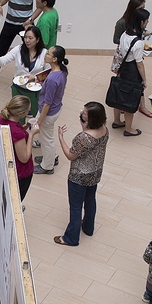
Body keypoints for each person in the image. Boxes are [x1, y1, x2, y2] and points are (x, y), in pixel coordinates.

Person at [54, 102, 109, 246]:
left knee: (76, 206)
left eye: (84, 113)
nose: (81, 113)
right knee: (90, 200)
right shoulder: (104, 129)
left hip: (79, 176)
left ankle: (71, 238)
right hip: (95, 172)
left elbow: (70, 155)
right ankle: (88, 227)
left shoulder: (83, 138)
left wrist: (60, 137)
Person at [0, 25, 49, 117]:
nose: (27, 40)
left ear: (37, 40)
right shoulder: (18, 49)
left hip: (35, 91)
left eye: (30, 38)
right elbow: (2, 62)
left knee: (35, 116)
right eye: (25, 37)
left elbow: (47, 73)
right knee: (17, 116)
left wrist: (34, 78)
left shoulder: (44, 53)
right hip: (18, 89)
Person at [112, 7, 151, 136]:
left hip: (123, 68)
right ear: (141, 22)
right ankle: (129, 129)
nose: (147, 23)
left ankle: (117, 121)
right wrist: (144, 80)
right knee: (130, 99)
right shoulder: (138, 43)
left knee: (118, 94)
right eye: (146, 21)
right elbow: (140, 64)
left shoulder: (125, 34)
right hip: (132, 71)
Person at [34, 45, 68, 175]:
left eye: (48, 53)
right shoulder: (61, 72)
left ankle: (47, 166)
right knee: (48, 137)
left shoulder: (53, 79)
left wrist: (39, 121)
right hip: (56, 109)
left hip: (48, 113)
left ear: (54, 59)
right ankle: (51, 157)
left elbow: (47, 103)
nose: (45, 54)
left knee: (46, 139)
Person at [0, 96, 38, 201]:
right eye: (27, 111)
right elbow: (24, 157)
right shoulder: (17, 133)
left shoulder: (2, 117)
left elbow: (12, 134)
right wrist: (32, 134)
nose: (28, 112)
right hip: (19, 172)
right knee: (15, 200)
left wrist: (25, 126)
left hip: (5, 164)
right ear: (21, 113)